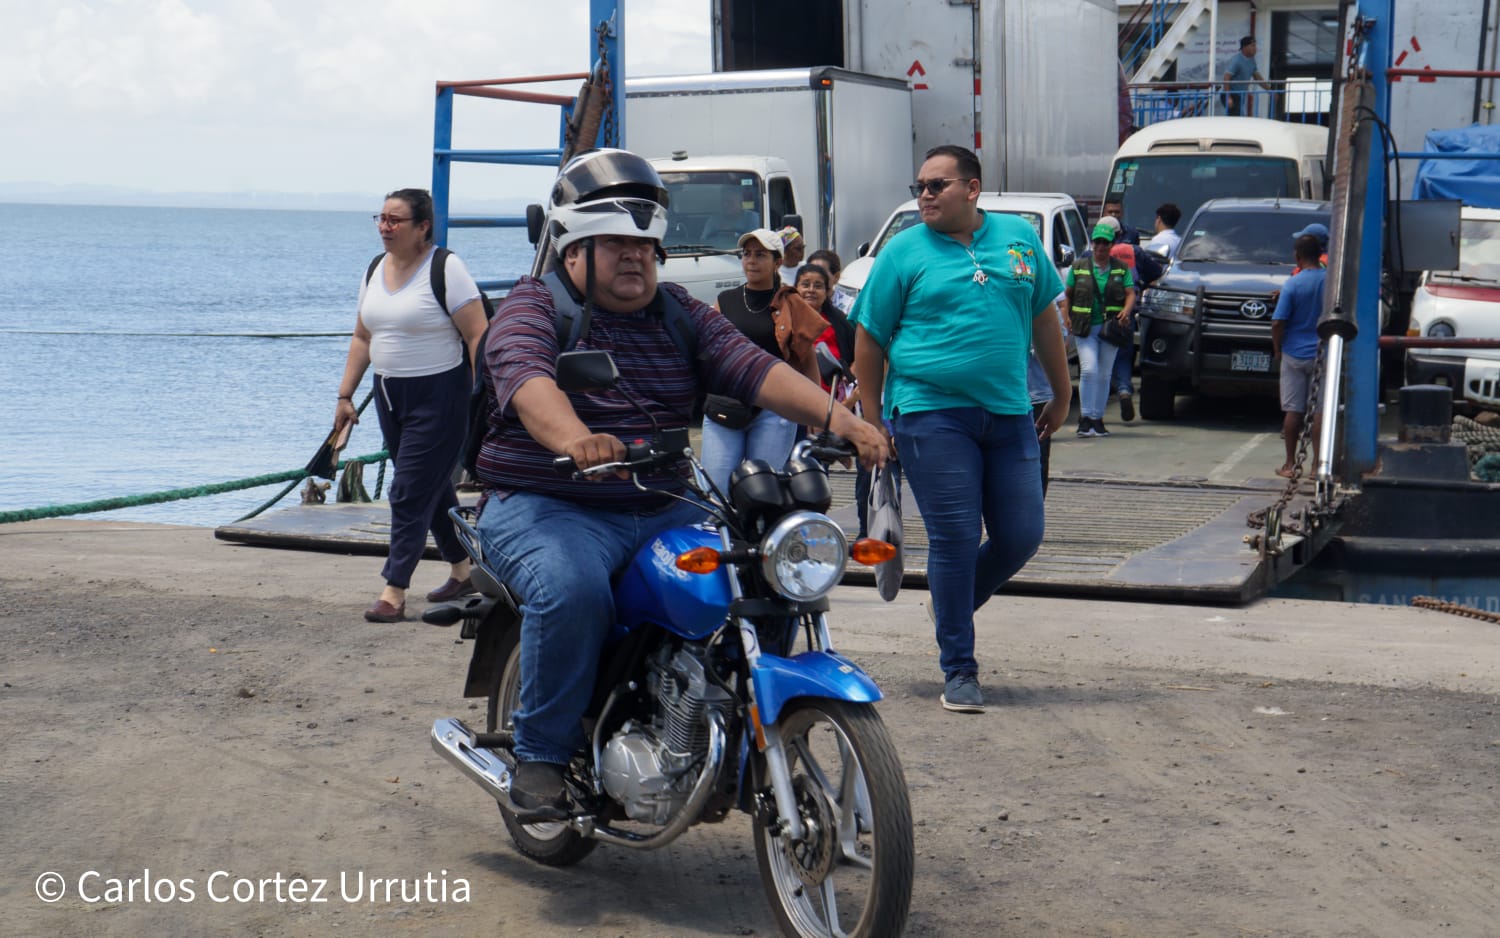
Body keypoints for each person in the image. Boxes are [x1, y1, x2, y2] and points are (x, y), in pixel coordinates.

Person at [471, 149, 888, 812]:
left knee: (762, 570)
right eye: (613, 244)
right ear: (573, 251)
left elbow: (756, 370)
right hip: (546, 502)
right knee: (573, 587)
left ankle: (745, 729)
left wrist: (847, 421)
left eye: (644, 244)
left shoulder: (679, 313)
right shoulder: (533, 307)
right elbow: (527, 383)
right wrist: (578, 439)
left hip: (660, 499)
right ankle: (543, 754)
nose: (634, 257)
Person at [851, 144, 1071, 714]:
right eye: (919, 185)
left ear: (972, 189)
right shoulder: (902, 253)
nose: (923, 195)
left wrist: (1062, 390)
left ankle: (953, 603)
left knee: (1022, 534)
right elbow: (869, 341)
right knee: (954, 538)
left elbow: (1044, 315)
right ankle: (960, 669)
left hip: (1009, 411)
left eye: (936, 185)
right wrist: (873, 422)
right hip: (929, 412)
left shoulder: (1020, 239)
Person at [334, 188, 489, 623]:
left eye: (395, 220)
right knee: (429, 485)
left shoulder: (446, 268)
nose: (385, 227)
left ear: (422, 227)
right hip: (389, 395)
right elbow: (363, 337)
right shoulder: (374, 269)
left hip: (441, 395)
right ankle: (462, 569)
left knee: (406, 492)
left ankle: (394, 589)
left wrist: (487, 394)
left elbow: (478, 333)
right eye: (381, 218)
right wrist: (345, 396)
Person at [699, 230, 829, 491]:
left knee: (765, 490)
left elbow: (807, 360)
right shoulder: (726, 301)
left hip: (775, 409)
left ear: (777, 262)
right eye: (746, 254)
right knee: (715, 491)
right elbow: (706, 350)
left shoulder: (792, 302)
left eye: (760, 255)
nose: (751, 261)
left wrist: (817, 413)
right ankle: (722, 534)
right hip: (727, 405)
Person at [1066, 222, 1136, 438]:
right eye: (1097, 242)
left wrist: (1126, 310)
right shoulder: (1078, 267)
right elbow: (1067, 294)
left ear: (1112, 245)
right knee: (1089, 370)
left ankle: (1097, 418)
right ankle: (1086, 417)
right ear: (1092, 243)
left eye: (1105, 243)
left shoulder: (1120, 268)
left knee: (1104, 374)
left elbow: (1130, 293)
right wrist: (1066, 317)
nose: (1100, 247)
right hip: (1085, 328)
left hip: (1110, 329)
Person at [1272, 235, 1327, 478]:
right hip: (1323, 353)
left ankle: (1290, 464)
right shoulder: (1330, 282)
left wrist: (1277, 349)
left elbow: (1277, 322)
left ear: (1297, 257)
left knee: (1293, 411)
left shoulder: (1292, 284)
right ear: (1320, 254)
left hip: (1294, 354)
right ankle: (1317, 466)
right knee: (1320, 412)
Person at [1107, 241, 1142, 422]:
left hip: (1100, 320)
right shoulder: (1133, 252)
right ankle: (1124, 390)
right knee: (1122, 357)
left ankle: (1093, 410)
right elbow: (1156, 272)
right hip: (1124, 318)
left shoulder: (1090, 257)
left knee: (1097, 366)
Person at [1222, 36, 1270, 117]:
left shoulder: (1252, 60)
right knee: (1236, 118)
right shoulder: (1237, 60)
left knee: (1239, 117)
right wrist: (1228, 97)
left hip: (1240, 95)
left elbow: (1257, 77)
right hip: (1232, 94)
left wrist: (1270, 90)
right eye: (1252, 45)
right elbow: (1226, 77)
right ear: (1244, 47)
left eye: (1255, 45)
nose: (1255, 48)